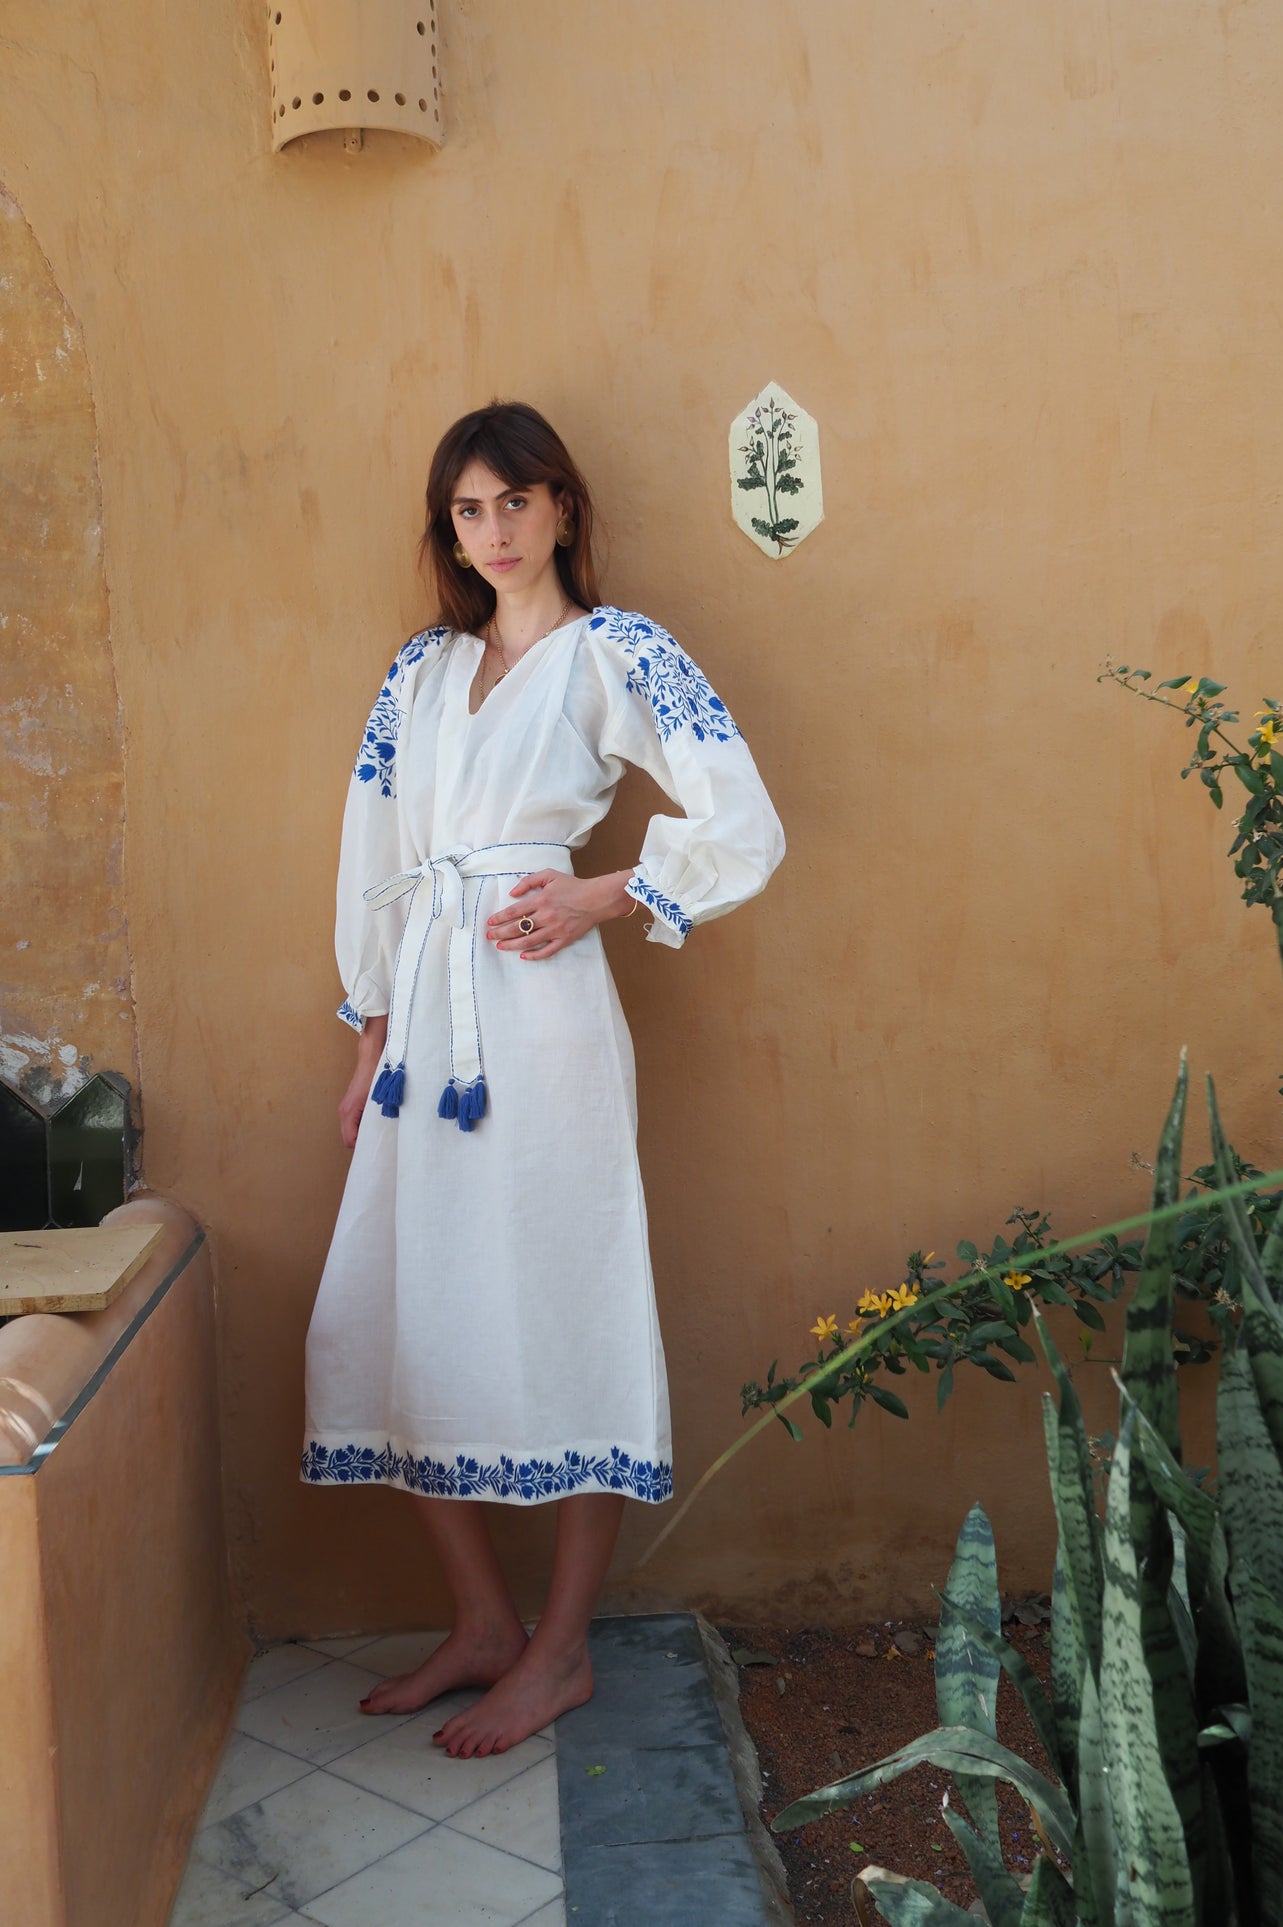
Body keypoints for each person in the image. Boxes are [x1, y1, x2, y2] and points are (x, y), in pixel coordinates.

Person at [302, 401, 785, 1758]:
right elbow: (370, 847)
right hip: (425, 1029)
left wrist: (600, 894)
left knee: (571, 1294)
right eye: (468, 510)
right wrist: (369, 1033)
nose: (494, 530)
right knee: (394, 1304)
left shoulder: (620, 653)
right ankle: (480, 1624)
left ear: (562, 506)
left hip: (546, 1018)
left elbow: (743, 824)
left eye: (514, 501)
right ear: (448, 529)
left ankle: (560, 1650)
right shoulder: (420, 671)